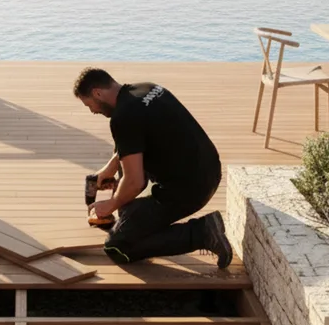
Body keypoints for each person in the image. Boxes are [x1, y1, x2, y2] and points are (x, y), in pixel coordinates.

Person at [73, 67, 233, 267]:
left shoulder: (122, 118)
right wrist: (109, 169)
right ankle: (132, 216)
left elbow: (135, 181)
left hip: (189, 190)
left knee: (117, 246)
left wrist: (111, 204)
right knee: (127, 159)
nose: (93, 111)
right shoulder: (146, 88)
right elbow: (133, 140)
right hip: (209, 170)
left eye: (90, 105)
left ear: (98, 93)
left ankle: (202, 232)